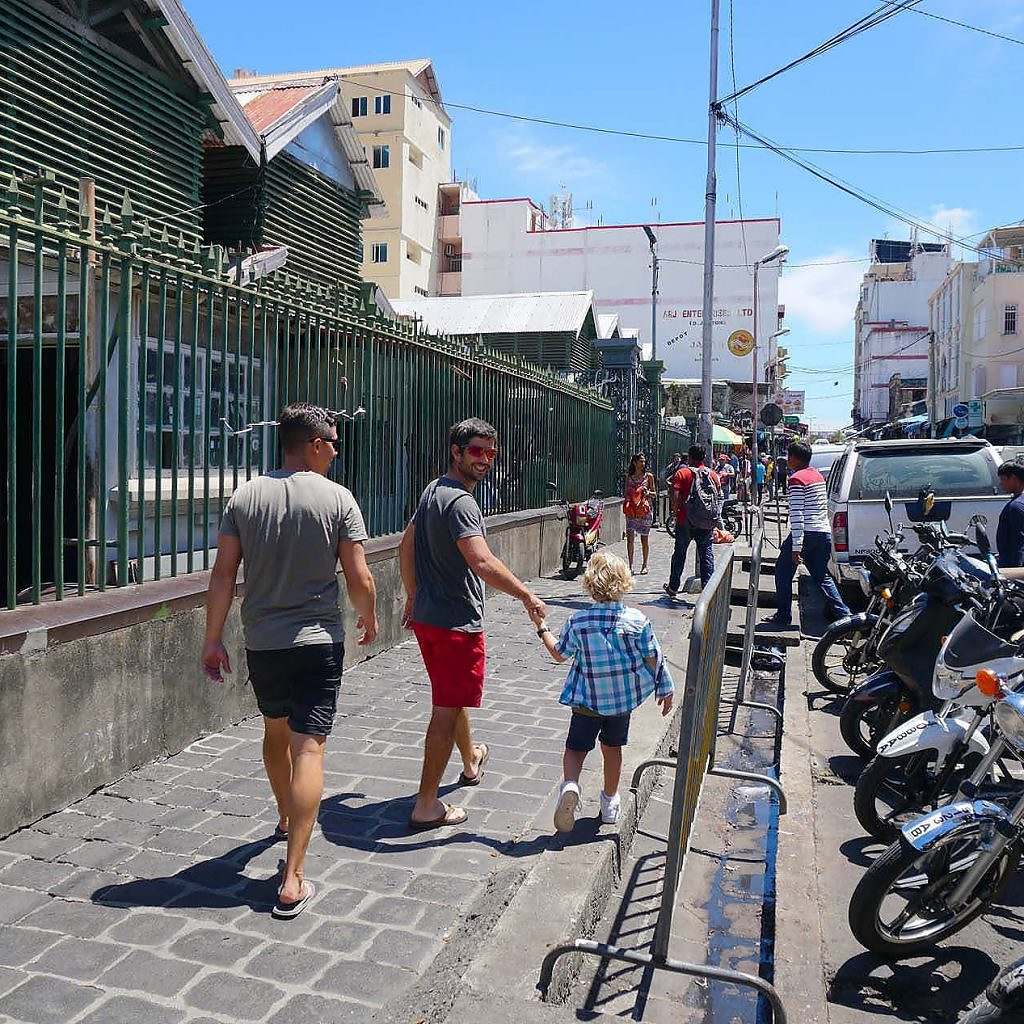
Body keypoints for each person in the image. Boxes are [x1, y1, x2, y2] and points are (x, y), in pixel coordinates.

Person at [202, 403, 378, 919]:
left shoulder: (245, 496)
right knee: (310, 749)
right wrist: (369, 617)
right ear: (316, 444)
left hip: (264, 642)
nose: (338, 452)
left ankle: (286, 814)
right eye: (335, 443)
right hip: (319, 640)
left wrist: (213, 640)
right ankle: (293, 875)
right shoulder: (339, 500)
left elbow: (222, 575)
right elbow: (359, 577)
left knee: (275, 732)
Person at [400, 418, 548, 831]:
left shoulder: (434, 490)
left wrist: (413, 594)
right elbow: (481, 561)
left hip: (431, 618)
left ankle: (470, 761)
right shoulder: (462, 502)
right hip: (454, 623)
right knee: (445, 710)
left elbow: (406, 544)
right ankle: (426, 804)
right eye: (476, 452)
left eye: (491, 453)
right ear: (456, 452)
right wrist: (526, 595)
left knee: (452, 695)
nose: (485, 460)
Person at [532, 551, 674, 833]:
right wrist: (664, 687)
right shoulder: (637, 621)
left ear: (589, 584)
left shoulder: (579, 622)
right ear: (625, 582)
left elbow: (559, 654)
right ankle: (609, 804)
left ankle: (570, 785)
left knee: (575, 749)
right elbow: (653, 657)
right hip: (620, 702)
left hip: (587, 700)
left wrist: (541, 627)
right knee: (612, 750)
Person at [761, 440, 849, 629]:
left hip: (806, 533)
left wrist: (796, 547)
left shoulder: (796, 479)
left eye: (789, 456)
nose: (787, 460)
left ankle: (784, 616)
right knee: (821, 576)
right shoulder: (817, 476)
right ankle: (846, 617)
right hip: (822, 532)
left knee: (783, 573)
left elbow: (797, 514)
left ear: (794, 458)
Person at [664, 444, 722, 597]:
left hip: (685, 520)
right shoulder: (713, 475)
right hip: (706, 521)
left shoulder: (682, 473)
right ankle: (708, 591)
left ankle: (673, 587)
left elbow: (675, 495)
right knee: (706, 554)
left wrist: (675, 512)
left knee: (679, 554)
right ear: (704, 457)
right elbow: (718, 497)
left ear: (689, 457)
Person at [624, 452, 656, 574]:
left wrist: (648, 493)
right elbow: (625, 493)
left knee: (644, 539)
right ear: (634, 462)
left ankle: (644, 564)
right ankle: (630, 565)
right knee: (630, 539)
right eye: (640, 461)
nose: (643, 463)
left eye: (644, 461)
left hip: (644, 511)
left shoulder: (649, 477)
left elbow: (655, 494)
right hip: (631, 511)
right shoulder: (629, 477)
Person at [997, 461, 1024, 568]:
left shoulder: (1015, 506)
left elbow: (1020, 542)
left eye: (1003, 479)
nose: (1001, 483)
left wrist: (1016, 574)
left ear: (1013, 478)